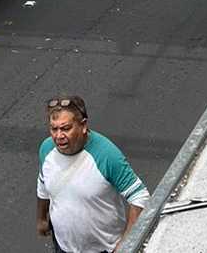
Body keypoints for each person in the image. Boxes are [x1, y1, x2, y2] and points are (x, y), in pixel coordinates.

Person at [36, 96, 149, 253]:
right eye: (54, 129)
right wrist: (41, 218)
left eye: (66, 128)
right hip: (63, 246)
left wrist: (126, 245)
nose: (58, 136)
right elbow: (43, 183)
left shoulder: (107, 155)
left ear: (83, 125)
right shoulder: (46, 149)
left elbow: (140, 196)